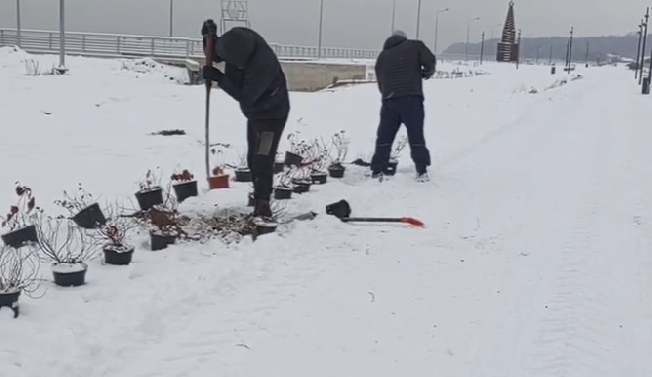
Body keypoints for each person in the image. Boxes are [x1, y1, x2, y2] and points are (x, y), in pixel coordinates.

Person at [201, 20, 290, 219]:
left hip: (271, 116)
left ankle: (263, 204)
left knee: (262, 158)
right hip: (255, 114)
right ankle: (258, 194)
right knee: (252, 158)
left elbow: (246, 95)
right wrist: (208, 39)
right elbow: (216, 53)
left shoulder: (262, 65)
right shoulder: (237, 40)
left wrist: (219, 78)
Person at [370, 30, 436, 182]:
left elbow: (381, 81)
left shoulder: (383, 56)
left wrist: (388, 95)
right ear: (404, 38)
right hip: (411, 98)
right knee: (416, 135)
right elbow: (429, 60)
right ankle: (421, 170)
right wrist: (427, 73)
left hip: (389, 100)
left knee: (384, 137)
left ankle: (377, 170)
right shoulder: (415, 45)